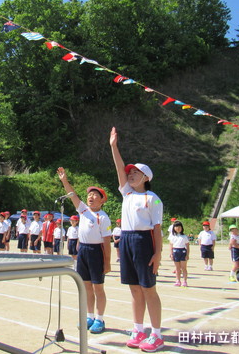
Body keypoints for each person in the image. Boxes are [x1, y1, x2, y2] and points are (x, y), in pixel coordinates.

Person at [109, 127, 164, 352]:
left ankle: (157, 334)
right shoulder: (127, 193)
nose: (130, 175)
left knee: (148, 288)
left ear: (146, 178)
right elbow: (118, 167)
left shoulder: (153, 198)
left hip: (144, 241)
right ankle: (138, 329)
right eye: (129, 173)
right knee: (134, 288)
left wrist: (158, 253)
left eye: (135, 173)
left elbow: (157, 228)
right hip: (126, 240)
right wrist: (113, 146)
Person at [57, 167, 111, 335]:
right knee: (86, 287)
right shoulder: (83, 210)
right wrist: (65, 181)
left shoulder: (103, 217)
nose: (91, 197)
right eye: (89, 195)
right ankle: (89, 316)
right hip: (83, 252)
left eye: (95, 195)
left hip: (97, 252)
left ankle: (100, 319)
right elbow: (72, 195)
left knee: (98, 288)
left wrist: (107, 263)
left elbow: (107, 243)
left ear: (102, 200)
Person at [169, 220, 190, 287]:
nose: (178, 228)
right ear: (174, 228)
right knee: (177, 268)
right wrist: (171, 254)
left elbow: (187, 246)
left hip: (182, 251)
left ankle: (185, 281)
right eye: (176, 227)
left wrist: (187, 254)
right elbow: (171, 245)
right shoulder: (173, 236)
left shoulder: (184, 236)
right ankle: (178, 280)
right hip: (175, 251)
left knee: (184, 268)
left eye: (179, 227)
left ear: (182, 228)